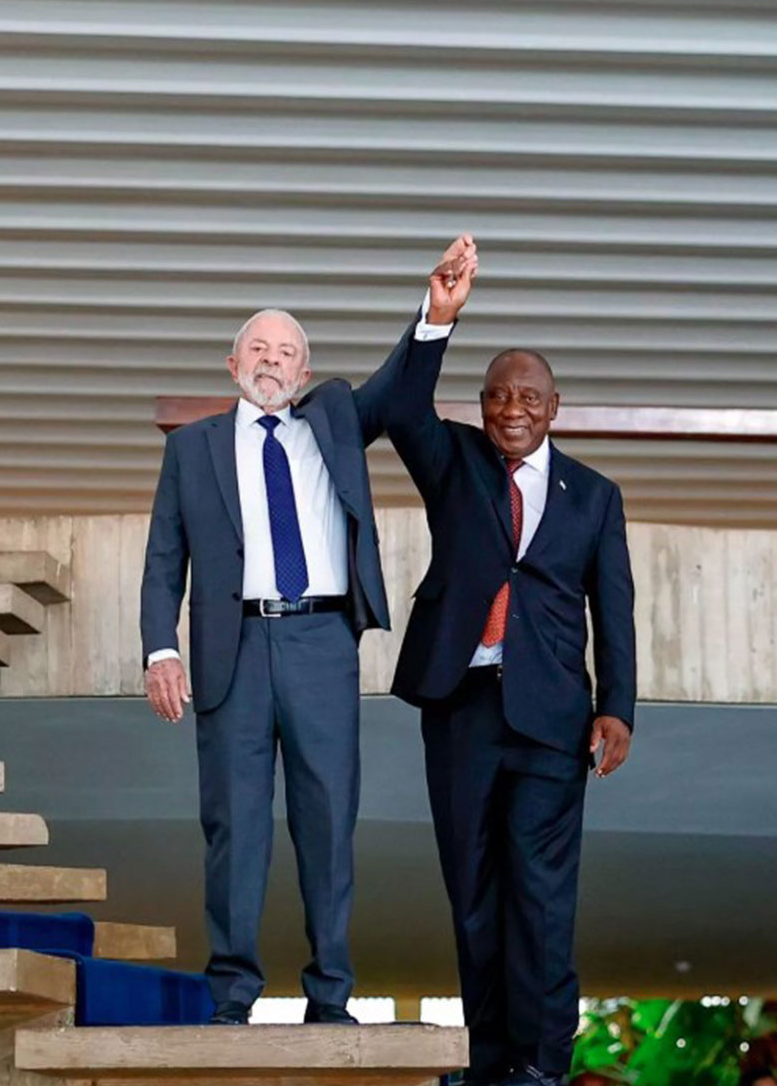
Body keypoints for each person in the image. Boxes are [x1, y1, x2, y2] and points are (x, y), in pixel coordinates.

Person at [138, 259, 457, 1024]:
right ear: (233, 365)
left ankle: (331, 996)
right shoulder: (194, 448)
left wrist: (436, 314)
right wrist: (161, 649)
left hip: (320, 641)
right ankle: (232, 995)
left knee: (328, 822)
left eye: (285, 352)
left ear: (305, 370)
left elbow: (402, 385)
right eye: (257, 349)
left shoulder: (337, 417)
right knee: (233, 828)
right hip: (232, 651)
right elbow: (162, 558)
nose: (271, 361)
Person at [384, 239, 637, 1086]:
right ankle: (491, 1062)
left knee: (540, 895)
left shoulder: (594, 497)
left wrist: (619, 707)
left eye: (529, 396)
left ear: (555, 406)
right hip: (459, 704)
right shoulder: (452, 461)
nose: (512, 408)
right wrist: (437, 321)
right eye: (497, 395)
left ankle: (541, 1062)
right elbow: (398, 407)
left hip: (552, 715)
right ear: (482, 405)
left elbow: (616, 608)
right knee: (474, 893)